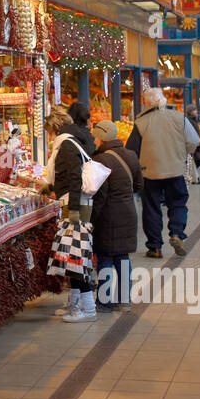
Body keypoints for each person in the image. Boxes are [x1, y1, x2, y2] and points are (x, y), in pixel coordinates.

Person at [126, 86, 199, 258]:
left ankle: (155, 247)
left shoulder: (141, 122)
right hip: (175, 170)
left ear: (147, 103)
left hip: (149, 173)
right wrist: (181, 154)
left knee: (151, 208)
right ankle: (176, 233)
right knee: (178, 203)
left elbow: (131, 150)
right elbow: (193, 141)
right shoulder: (179, 117)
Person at [40, 111, 93, 321]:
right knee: (72, 253)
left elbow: (75, 177)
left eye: (50, 133)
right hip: (75, 202)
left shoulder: (67, 145)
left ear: (56, 128)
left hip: (75, 205)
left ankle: (87, 307)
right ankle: (76, 302)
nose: (50, 138)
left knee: (75, 256)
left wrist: (73, 210)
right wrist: (52, 186)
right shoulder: (72, 141)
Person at [89, 120, 142, 310]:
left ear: (101, 138)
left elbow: (100, 195)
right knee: (122, 257)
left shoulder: (100, 160)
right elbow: (138, 185)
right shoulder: (131, 155)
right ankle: (124, 300)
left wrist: (91, 218)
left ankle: (104, 301)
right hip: (128, 212)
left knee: (105, 258)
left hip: (108, 215)